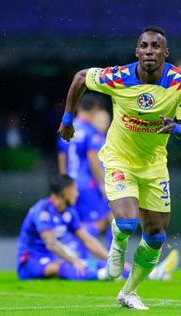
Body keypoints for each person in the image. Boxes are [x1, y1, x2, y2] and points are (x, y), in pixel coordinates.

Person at [57, 26, 181, 310]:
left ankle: (129, 291)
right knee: (128, 223)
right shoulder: (119, 77)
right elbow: (81, 77)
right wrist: (68, 119)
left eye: (155, 47)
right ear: (137, 51)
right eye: (144, 46)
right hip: (119, 159)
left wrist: (177, 128)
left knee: (156, 236)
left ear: (165, 53)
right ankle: (117, 246)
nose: (149, 51)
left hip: (155, 165)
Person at [16, 175, 110, 280]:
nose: (77, 194)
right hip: (31, 261)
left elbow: (87, 240)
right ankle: (103, 276)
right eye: (75, 190)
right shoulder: (43, 210)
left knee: (100, 264)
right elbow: (51, 244)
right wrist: (74, 260)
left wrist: (111, 259)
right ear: (65, 192)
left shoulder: (69, 212)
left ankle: (121, 271)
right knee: (67, 267)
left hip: (52, 258)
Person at [57, 94, 112, 256]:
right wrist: (103, 183)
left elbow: (62, 160)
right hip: (88, 184)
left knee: (78, 221)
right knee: (104, 220)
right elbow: (93, 160)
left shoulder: (67, 130)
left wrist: (64, 184)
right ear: (94, 111)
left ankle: (79, 257)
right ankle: (111, 260)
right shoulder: (90, 132)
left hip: (70, 183)